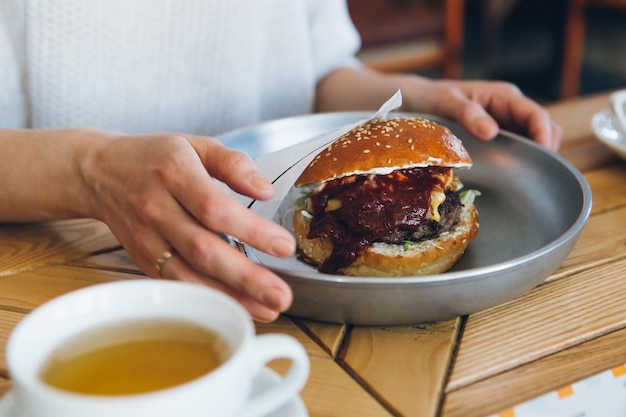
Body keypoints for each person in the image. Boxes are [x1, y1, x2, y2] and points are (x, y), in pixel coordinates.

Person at [0, 1, 562, 322]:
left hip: (299, 304)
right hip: (66, 271)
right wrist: (88, 169)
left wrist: (412, 100)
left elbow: (315, 74)